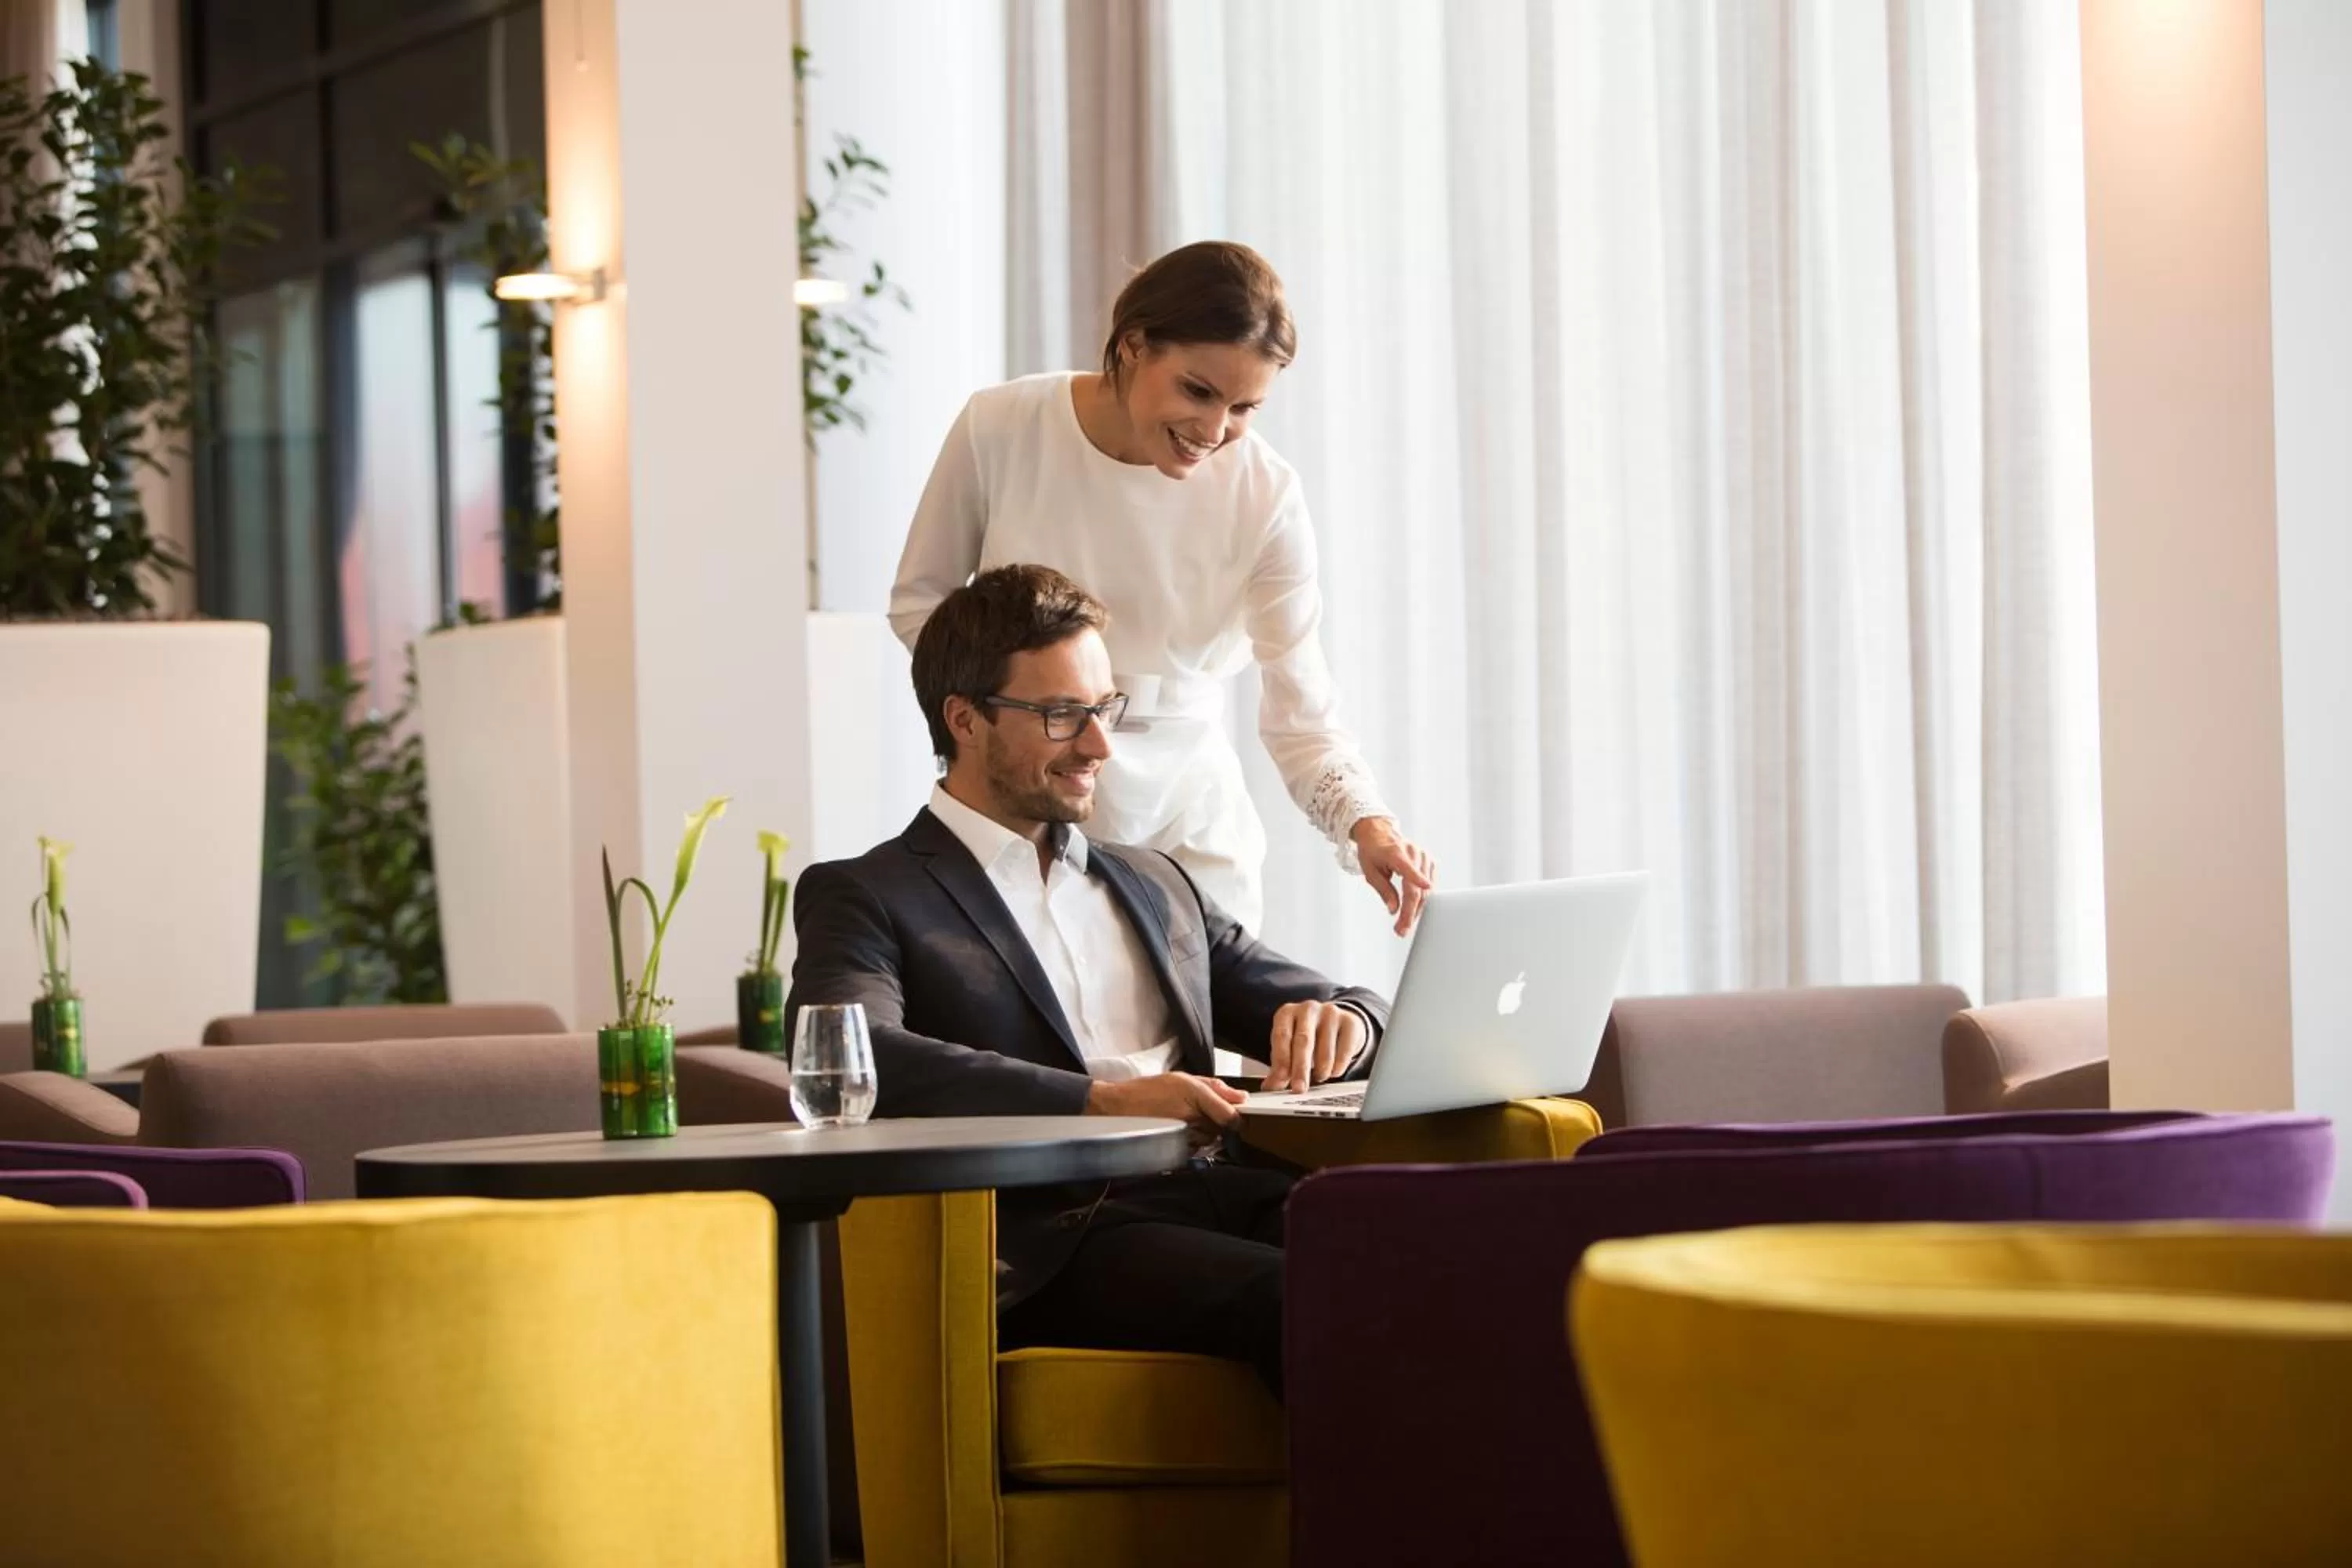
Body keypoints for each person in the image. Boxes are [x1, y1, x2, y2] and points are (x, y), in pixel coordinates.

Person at [788, 564, 1390, 1396]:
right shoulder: (870, 893)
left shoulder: (1153, 881)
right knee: (1303, 1295)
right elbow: (861, 1059)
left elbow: (1346, 1001)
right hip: (1061, 1236)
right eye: (1062, 714)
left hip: (1225, 1189)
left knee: (1426, 1255)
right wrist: (1098, 1102)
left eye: (1105, 708)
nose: (1101, 745)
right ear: (964, 718)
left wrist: (1348, 1022)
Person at [891, 239, 1436, 936]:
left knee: (1205, 1034)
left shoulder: (1265, 494)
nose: (1213, 431)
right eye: (1198, 391)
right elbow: (920, 603)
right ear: (1133, 346)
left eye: (1243, 408)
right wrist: (1017, 714)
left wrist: (1368, 823)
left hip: (1190, 817)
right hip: (1024, 802)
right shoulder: (1000, 425)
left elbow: (1300, 706)